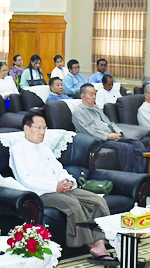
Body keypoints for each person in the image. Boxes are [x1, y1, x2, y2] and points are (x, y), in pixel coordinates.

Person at [10, 111, 114, 259]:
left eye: (44, 128)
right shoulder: (18, 150)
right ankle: (90, 245)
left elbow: (59, 169)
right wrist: (55, 187)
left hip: (61, 188)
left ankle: (100, 243)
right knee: (73, 204)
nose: (42, 132)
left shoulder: (44, 148)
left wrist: (68, 181)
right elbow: (26, 179)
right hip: (41, 193)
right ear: (27, 128)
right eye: (38, 128)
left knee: (97, 201)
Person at [73, 84, 149, 172]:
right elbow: (87, 131)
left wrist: (118, 132)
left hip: (112, 136)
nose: (94, 97)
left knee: (138, 144)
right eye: (91, 94)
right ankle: (127, 175)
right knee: (124, 148)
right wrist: (108, 136)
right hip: (99, 140)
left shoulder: (96, 108)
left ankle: (141, 173)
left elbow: (109, 123)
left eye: (95, 94)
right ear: (83, 96)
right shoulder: (78, 112)